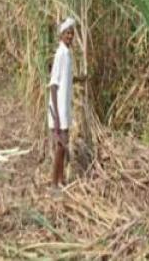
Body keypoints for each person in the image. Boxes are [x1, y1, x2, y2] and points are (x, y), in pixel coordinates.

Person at [47, 17, 86, 190]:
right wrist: (55, 117)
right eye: (67, 33)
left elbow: (67, 80)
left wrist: (80, 79)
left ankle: (61, 180)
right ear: (61, 35)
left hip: (64, 109)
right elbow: (54, 86)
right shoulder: (61, 54)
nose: (70, 36)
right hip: (59, 110)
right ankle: (54, 184)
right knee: (61, 147)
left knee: (63, 146)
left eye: (72, 33)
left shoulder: (68, 54)